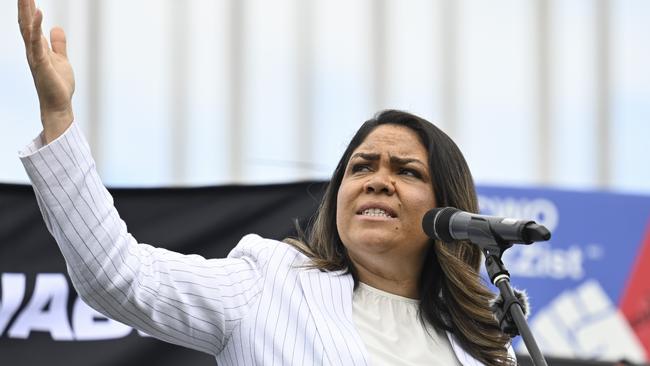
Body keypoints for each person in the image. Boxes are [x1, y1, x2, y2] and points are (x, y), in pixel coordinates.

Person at [16, 0, 515, 364]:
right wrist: (59, 115)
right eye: (361, 167)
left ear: (446, 209)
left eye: (406, 172)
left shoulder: (486, 348)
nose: (377, 181)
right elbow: (116, 276)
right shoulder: (268, 285)